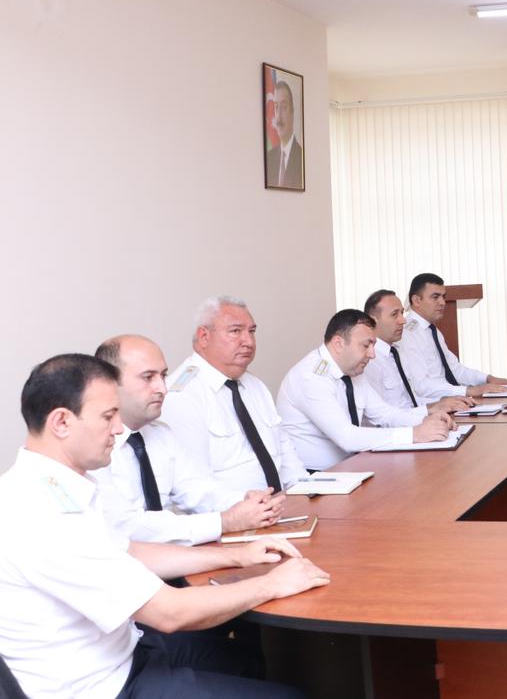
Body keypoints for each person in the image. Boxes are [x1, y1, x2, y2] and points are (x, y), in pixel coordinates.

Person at [0, 353, 329, 698]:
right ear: (61, 422)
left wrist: (237, 555)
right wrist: (272, 583)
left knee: (241, 656)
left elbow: (131, 552)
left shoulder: (54, 485)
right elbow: (169, 613)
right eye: (108, 416)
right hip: (106, 686)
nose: (118, 428)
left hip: (127, 650)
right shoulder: (43, 513)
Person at [91, 335, 284, 545]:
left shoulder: (161, 435)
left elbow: (198, 490)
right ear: (109, 383)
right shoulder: (92, 446)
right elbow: (127, 527)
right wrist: (225, 522)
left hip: (173, 556)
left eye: (163, 376)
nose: (163, 389)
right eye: (148, 377)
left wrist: (246, 502)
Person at [276, 309, 458, 471]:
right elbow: (347, 437)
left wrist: (427, 420)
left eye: (373, 346)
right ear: (338, 344)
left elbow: (384, 414)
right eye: (366, 345)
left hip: (354, 467)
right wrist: (414, 433)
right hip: (318, 478)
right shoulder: (311, 377)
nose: (372, 354)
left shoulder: (352, 370)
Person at [162, 297, 306, 495]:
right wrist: (248, 508)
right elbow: (191, 486)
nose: (249, 341)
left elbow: (285, 452)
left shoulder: (256, 386)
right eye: (235, 331)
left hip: (282, 505)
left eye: (252, 331)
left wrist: (305, 491)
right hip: (230, 512)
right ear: (204, 337)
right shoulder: (182, 395)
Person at [399, 273, 507, 399]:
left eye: (443, 297)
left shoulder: (431, 330)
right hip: (434, 405)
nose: (442, 302)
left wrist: (488, 379)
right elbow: (421, 386)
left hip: (450, 400)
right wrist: (469, 391)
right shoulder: (406, 333)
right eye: (435, 297)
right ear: (416, 300)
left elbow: (455, 370)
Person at [361, 289, 475, 413]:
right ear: (373, 320)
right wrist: (430, 409)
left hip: (414, 420)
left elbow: (411, 402)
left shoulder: (396, 353)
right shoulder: (369, 360)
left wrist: (443, 402)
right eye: (394, 314)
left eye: (402, 313)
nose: (403, 320)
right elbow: (382, 416)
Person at [264, 78, 303, 190]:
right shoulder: (269, 158)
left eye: (284, 107)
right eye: (276, 107)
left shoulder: (301, 157)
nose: (279, 117)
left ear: (292, 112)